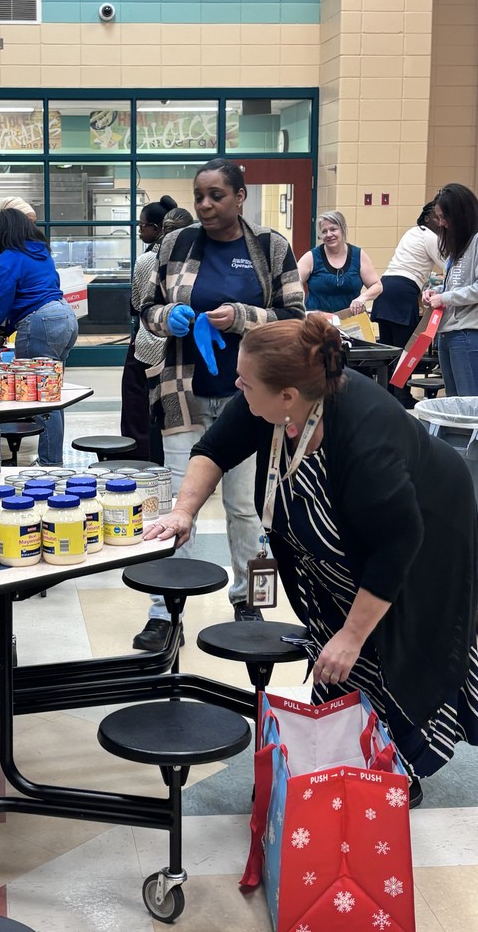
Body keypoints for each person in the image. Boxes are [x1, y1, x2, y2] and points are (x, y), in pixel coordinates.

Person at [146, 314, 478, 794]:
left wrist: (351, 635)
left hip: (427, 528)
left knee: (384, 642)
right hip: (356, 536)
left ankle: (394, 767)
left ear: (286, 397)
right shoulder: (273, 400)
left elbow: (396, 545)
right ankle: (346, 746)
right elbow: (213, 449)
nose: (237, 385)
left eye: (245, 381)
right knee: (337, 636)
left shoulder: (366, 440)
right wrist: (183, 512)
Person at [133, 158, 305, 651]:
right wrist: (170, 316)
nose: (205, 205)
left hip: (251, 403)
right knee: (173, 507)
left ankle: (249, 601)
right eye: (199, 196)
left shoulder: (271, 248)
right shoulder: (175, 244)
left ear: (240, 196)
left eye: (217, 196)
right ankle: (163, 610)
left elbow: (294, 316)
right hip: (183, 396)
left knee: (246, 509)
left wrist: (241, 317)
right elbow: (145, 309)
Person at [0, 208, 77, 466]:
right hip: (64, 317)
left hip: (41, 323)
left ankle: (49, 464)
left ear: (1, 233)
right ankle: (51, 460)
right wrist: (4, 333)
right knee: (50, 393)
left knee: (41, 399)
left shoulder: (7, 259)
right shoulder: (41, 252)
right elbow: (31, 296)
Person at [120, 195, 181, 462]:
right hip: (180, 345)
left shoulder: (147, 261)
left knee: (139, 408)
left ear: (157, 229)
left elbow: (137, 303)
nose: (140, 230)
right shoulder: (191, 259)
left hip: (149, 344)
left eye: (142, 225)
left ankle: (139, 458)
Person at [371, 200, 442, 408]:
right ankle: (401, 396)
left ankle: (388, 396)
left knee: (389, 349)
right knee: (406, 349)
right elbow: (448, 263)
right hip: (403, 291)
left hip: (385, 288)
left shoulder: (412, 233)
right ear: (427, 218)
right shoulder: (430, 236)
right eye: (437, 217)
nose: (441, 221)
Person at [422, 182, 478, 396]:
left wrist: (446, 297)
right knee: (452, 403)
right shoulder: (458, 247)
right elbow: (457, 286)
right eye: (438, 217)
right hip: (447, 333)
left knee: (468, 403)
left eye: (444, 217)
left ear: (460, 214)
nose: (442, 223)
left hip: (467, 333)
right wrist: (436, 293)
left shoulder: (476, 241)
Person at [298, 211, 382, 315]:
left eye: (333, 229)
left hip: (351, 320)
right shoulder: (311, 257)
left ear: (343, 229)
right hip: (319, 324)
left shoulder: (358, 255)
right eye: (324, 231)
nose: (329, 234)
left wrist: (362, 298)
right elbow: (291, 284)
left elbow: (377, 286)